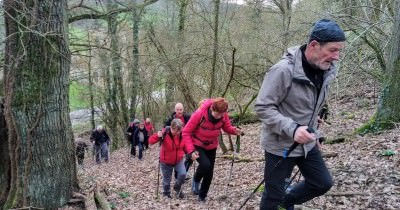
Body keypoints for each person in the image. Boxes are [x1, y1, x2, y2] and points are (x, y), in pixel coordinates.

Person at [254, 19, 345, 210]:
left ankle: (286, 201)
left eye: (339, 51)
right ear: (314, 45)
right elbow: (263, 107)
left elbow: (312, 106)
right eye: (332, 50)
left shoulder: (325, 70)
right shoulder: (283, 70)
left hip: (307, 143)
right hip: (280, 145)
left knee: (322, 182)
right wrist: (293, 129)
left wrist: (315, 132)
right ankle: (279, 202)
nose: (336, 56)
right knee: (273, 195)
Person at [182, 97, 242, 202]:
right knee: (205, 165)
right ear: (212, 109)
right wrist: (191, 151)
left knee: (209, 172)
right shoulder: (199, 114)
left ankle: (202, 196)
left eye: (221, 114)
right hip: (197, 144)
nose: (219, 116)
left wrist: (234, 131)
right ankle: (196, 180)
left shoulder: (223, 115)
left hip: (212, 145)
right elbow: (186, 132)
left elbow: (227, 127)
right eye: (217, 114)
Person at [149, 119, 199, 199]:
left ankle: (177, 187)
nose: (176, 133)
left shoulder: (182, 135)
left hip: (178, 160)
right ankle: (166, 193)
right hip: (166, 161)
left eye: (178, 131)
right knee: (167, 180)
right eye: (175, 131)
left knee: (183, 174)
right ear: (171, 128)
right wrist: (157, 136)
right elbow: (150, 141)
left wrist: (191, 153)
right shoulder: (164, 133)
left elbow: (185, 147)